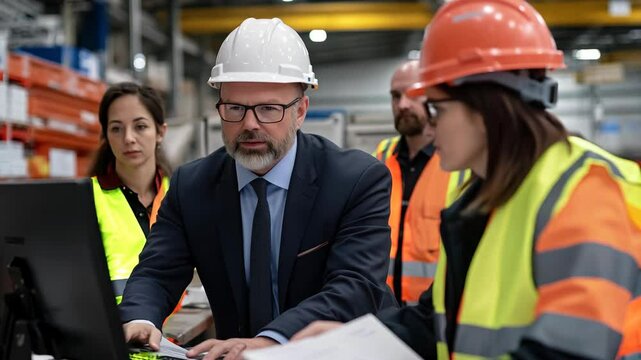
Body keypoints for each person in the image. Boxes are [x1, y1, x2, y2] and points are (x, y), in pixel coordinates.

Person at [294, 0, 641, 359]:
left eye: (438, 109)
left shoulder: (585, 192)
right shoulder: (482, 193)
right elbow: (438, 321)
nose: (430, 124)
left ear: (486, 106)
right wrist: (352, 342)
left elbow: (569, 352)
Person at [119, 17, 395, 360]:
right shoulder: (193, 186)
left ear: (301, 111)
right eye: (235, 108)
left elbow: (354, 287)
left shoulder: (355, 180)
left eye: (269, 109)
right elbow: (158, 271)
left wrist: (272, 339)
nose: (250, 124)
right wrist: (140, 317)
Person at [374, 60, 464, 305]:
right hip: (382, 313)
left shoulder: (459, 165)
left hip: (435, 315)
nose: (402, 104)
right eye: (395, 96)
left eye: (413, 95)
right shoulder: (381, 157)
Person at [88, 82, 171, 304]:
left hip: (173, 327)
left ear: (160, 132)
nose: (128, 138)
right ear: (106, 135)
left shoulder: (179, 194)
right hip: (110, 327)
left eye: (140, 126)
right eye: (116, 128)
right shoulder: (86, 198)